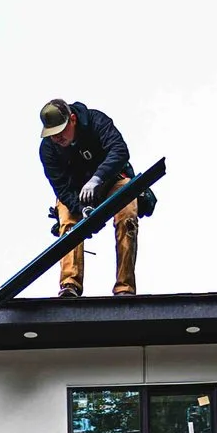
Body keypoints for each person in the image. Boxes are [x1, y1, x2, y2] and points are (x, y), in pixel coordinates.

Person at [38, 98, 142, 297]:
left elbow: (120, 150)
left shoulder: (96, 121)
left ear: (73, 120)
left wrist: (97, 178)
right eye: (52, 135)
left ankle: (124, 286)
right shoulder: (48, 150)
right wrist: (79, 208)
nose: (57, 138)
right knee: (67, 221)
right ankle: (70, 284)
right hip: (77, 196)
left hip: (110, 182)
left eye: (61, 131)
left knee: (127, 209)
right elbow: (61, 187)